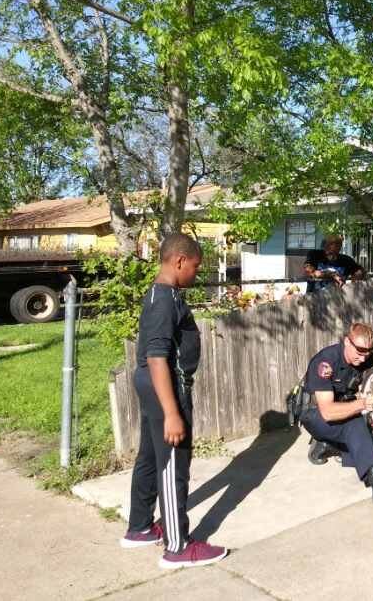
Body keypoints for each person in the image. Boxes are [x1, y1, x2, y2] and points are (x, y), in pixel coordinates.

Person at [120, 233, 229, 569]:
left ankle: (140, 527)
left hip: (157, 385)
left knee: (151, 457)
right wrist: (172, 412)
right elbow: (156, 357)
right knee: (173, 463)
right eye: (195, 266)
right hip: (166, 386)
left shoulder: (165, 295)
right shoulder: (164, 300)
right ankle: (178, 546)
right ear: (179, 260)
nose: (196, 273)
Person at [299, 323, 373, 503]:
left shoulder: (366, 358)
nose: (363, 359)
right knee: (354, 423)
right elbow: (328, 413)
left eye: (367, 354)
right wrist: (362, 403)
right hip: (315, 414)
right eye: (359, 353)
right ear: (347, 342)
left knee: (370, 436)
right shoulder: (326, 362)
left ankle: (327, 445)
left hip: (341, 406)